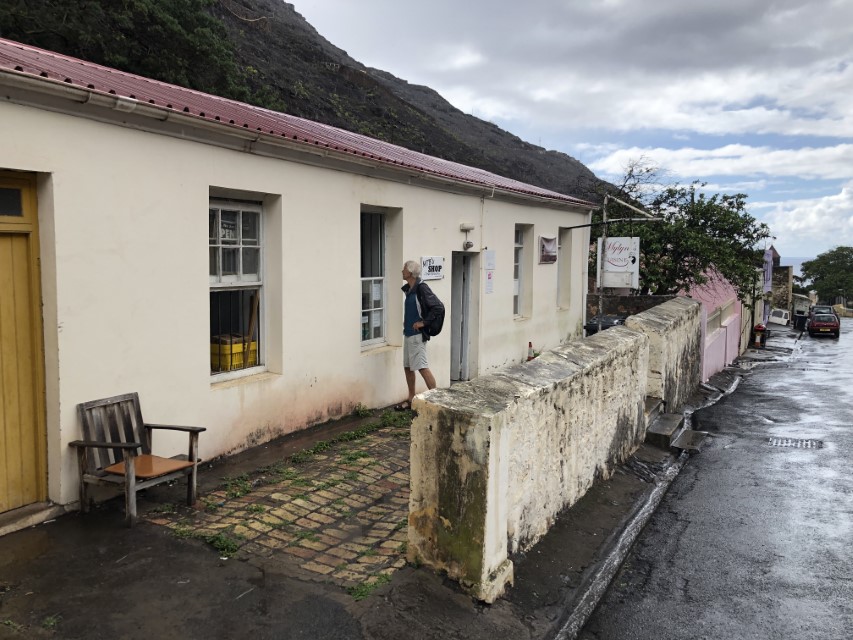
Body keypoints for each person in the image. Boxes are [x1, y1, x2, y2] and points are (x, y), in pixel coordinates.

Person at [398, 260, 438, 410]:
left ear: (410, 272)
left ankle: (437, 400)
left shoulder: (422, 288)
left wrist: (423, 323)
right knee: (408, 367)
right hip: (408, 334)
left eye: (404, 268)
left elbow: (438, 308)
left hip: (417, 336)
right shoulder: (410, 289)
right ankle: (411, 399)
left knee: (422, 367)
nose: (402, 271)